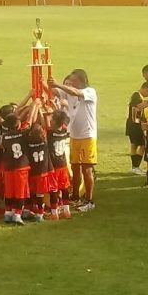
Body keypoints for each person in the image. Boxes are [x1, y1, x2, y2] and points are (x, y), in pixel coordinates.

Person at [49, 69, 98, 212]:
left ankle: (89, 200)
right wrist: (47, 81)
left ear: (82, 80)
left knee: (87, 169)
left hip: (87, 136)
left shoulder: (90, 92)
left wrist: (58, 84)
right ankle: (75, 196)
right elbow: (54, 92)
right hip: (74, 136)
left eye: (74, 80)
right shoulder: (69, 92)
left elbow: (75, 93)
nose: (72, 83)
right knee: (75, 167)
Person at [48, 110, 72, 220]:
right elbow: (67, 119)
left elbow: (44, 125)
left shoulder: (50, 133)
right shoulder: (64, 130)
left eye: (52, 119)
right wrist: (63, 106)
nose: (50, 120)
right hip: (63, 164)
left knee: (53, 189)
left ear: (54, 122)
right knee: (64, 187)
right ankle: (67, 211)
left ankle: (54, 213)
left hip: (53, 166)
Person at [126, 83, 148, 175]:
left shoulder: (135, 95)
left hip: (131, 125)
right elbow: (136, 112)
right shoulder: (138, 98)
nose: (147, 95)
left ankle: (134, 167)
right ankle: (136, 167)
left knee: (134, 145)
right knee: (142, 145)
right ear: (145, 89)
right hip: (135, 125)